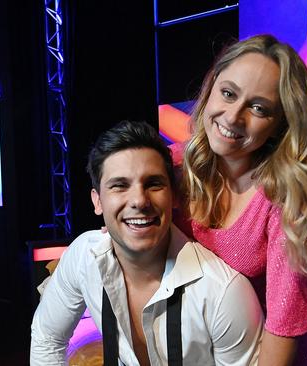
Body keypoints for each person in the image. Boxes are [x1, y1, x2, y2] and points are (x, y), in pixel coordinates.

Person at [170, 34, 307, 365]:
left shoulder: (289, 204)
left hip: (259, 350)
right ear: (210, 88)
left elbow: (282, 330)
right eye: (228, 93)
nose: (233, 117)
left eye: (258, 108)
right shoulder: (170, 167)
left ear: (282, 123)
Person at [30, 121, 264, 365]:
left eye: (153, 184)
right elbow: (47, 336)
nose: (139, 201)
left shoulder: (223, 293)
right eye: (120, 186)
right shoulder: (83, 256)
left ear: (174, 196)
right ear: (98, 201)